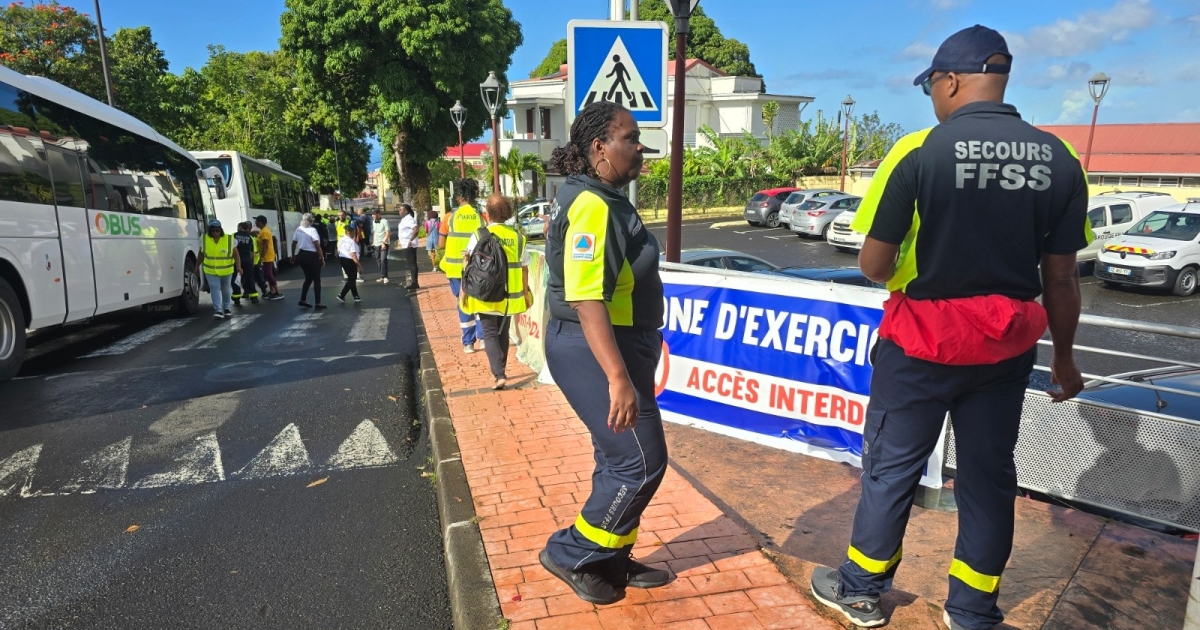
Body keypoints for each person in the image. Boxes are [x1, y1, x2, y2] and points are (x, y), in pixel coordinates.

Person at [807, 25, 1090, 630]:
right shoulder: (1060, 158)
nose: (931, 98)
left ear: (951, 80)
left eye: (931, 85)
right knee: (989, 477)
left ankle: (860, 589)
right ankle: (971, 610)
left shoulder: (919, 152)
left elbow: (874, 264)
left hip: (921, 346)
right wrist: (1064, 360)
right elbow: (1061, 279)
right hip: (1005, 350)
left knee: (892, 466)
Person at [538, 101, 670, 605]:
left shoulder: (604, 195)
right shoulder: (593, 204)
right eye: (631, 139)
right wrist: (616, 375)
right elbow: (585, 294)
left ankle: (611, 558)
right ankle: (571, 552)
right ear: (599, 148)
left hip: (618, 343)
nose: (641, 148)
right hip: (593, 348)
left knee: (615, 457)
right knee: (639, 462)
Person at [460, 194, 531, 390]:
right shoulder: (518, 237)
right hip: (510, 296)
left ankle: (499, 375)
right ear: (507, 213)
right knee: (503, 333)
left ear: (487, 213)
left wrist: (464, 291)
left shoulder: (479, 235)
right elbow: (524, 268)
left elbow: (467, 264)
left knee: (489, 333)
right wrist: (525, 293)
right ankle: (502, 370)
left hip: (486, 293)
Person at [439, 178, 485, 353]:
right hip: (476, 268)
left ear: (458, 197)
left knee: (463, 302)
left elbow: (441, 244)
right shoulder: (481, 217)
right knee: (478, 302)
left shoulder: (450, 217)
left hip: (454, 269)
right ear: (474, 196)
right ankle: (483, 338)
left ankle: (468, 343)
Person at [196, 220, 243, 320]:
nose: (215, 233)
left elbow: (236, 254)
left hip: (226, 270)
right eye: (213, 231)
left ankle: (227, 308)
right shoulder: (204, 239)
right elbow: (201, 254)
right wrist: (196, 266)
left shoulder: (229, 239)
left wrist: (239, 267)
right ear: (209, 231)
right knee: (214, 288)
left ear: (220, 230)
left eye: (217, 230)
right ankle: (218, 310)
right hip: (210, 270)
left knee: (226, 289)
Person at [290, 213, 327, 309]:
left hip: (301, 255)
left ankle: (303, 299)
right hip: (312, 256)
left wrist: (293, 256)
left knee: (308, 278)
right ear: (311, 221)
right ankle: (318, 303)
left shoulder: (299, 229)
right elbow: (317, 245)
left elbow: (293, 243)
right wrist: (322, 258)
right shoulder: (312, 230)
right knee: (316, 279)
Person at [254, 215, 283, 300]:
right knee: (268, 273)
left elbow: (265, 246)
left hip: (267, 256)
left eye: (257, 221)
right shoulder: (263, 231)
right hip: (267, 255)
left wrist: (261, 258)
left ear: (260, 222)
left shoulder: (264, 232)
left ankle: (278, 292)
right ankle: (272, 291)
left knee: (269, 274)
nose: (255, 223)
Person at [231, 221, 259, 305]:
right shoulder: (250, 237)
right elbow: (253, 252)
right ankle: (253, 297)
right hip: (247, 260)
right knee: (250, 278)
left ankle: (236, 297)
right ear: (246, 228)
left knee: (236, 279)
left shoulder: (233, 235)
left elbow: (231, 249)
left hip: (236, 261)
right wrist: (253, 262)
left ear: (239, 227)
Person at [337, 223, 364, 304]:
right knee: (352, 279)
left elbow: (338, 250)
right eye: (354, 233)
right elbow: (353, 255)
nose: (354, 234)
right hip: (349, 260)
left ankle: (356, 296)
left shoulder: (341, 240)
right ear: (349, 232)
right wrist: (359, 266)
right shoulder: (351, 242)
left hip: (342, 259)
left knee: (351, 278)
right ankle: (341, 295)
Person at [395, 204, 419, 291]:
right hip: (405, 243)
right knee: (410, 263)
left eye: (401, 210)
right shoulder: (404, 219)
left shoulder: (409, 219)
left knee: (412, 263)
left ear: (406, 211)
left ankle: (414, 282)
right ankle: (414, 282)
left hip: (409, 244)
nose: (399, 211)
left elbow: (416, 229)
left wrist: (410, 240)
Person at [373, 208, 392, 284]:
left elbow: (388, 233)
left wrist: (383, 242)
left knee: (383, 259)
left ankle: (385, 277)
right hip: (376, 244)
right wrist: (374, 242)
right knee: (378, 260)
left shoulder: (385, 221)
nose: (373, 216)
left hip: (384, 243)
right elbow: (375, 232)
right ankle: (383, 275)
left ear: (378, 214)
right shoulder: (374, 222)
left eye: (374, 214)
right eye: (372, 215)